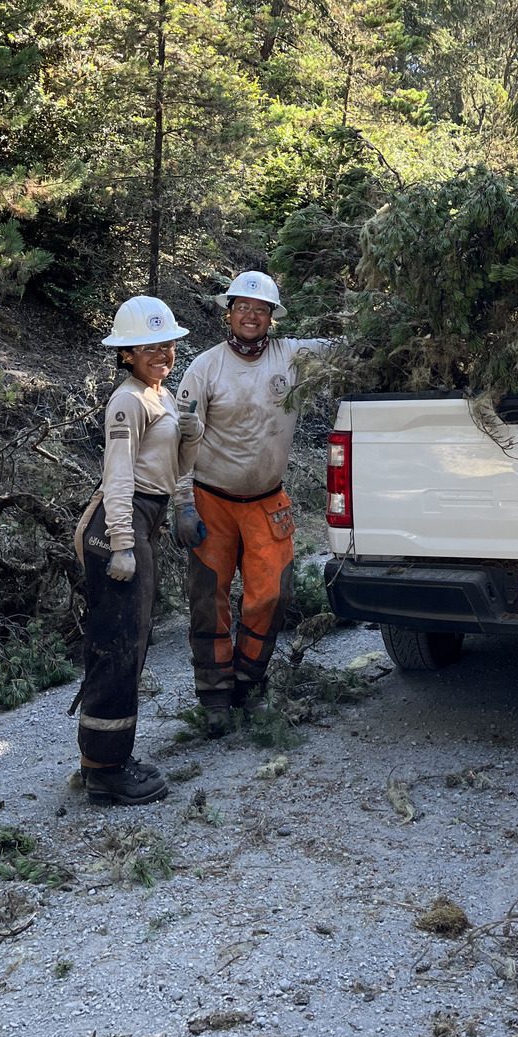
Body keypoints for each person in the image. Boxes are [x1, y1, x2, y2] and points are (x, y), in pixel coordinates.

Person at [173, 271, 330, 730]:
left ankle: (250, 684)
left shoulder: (294, 357)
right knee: (208, 598)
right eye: (242, 307)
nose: (250, 315)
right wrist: (182, 502)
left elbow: (347, 349)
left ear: (271, 319)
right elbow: (180, 440)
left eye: (259, 310)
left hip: (266, 502)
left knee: (269, 596)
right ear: (229, 313)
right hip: (211, 500)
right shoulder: (206, 367)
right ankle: (215, 696)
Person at [74, 297, 203, 806]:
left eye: (167, 344)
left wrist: (188, 441)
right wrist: (124, 546)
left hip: (143, 518)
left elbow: (173, 467)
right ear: (126, 353)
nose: (162, 353)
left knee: (132, 641)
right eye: (149, 346)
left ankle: (105, 758)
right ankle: (105, 771)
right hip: (119, 525)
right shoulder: (127, 400)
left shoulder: (161, 395)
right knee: (119, 644)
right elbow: (119, 476)